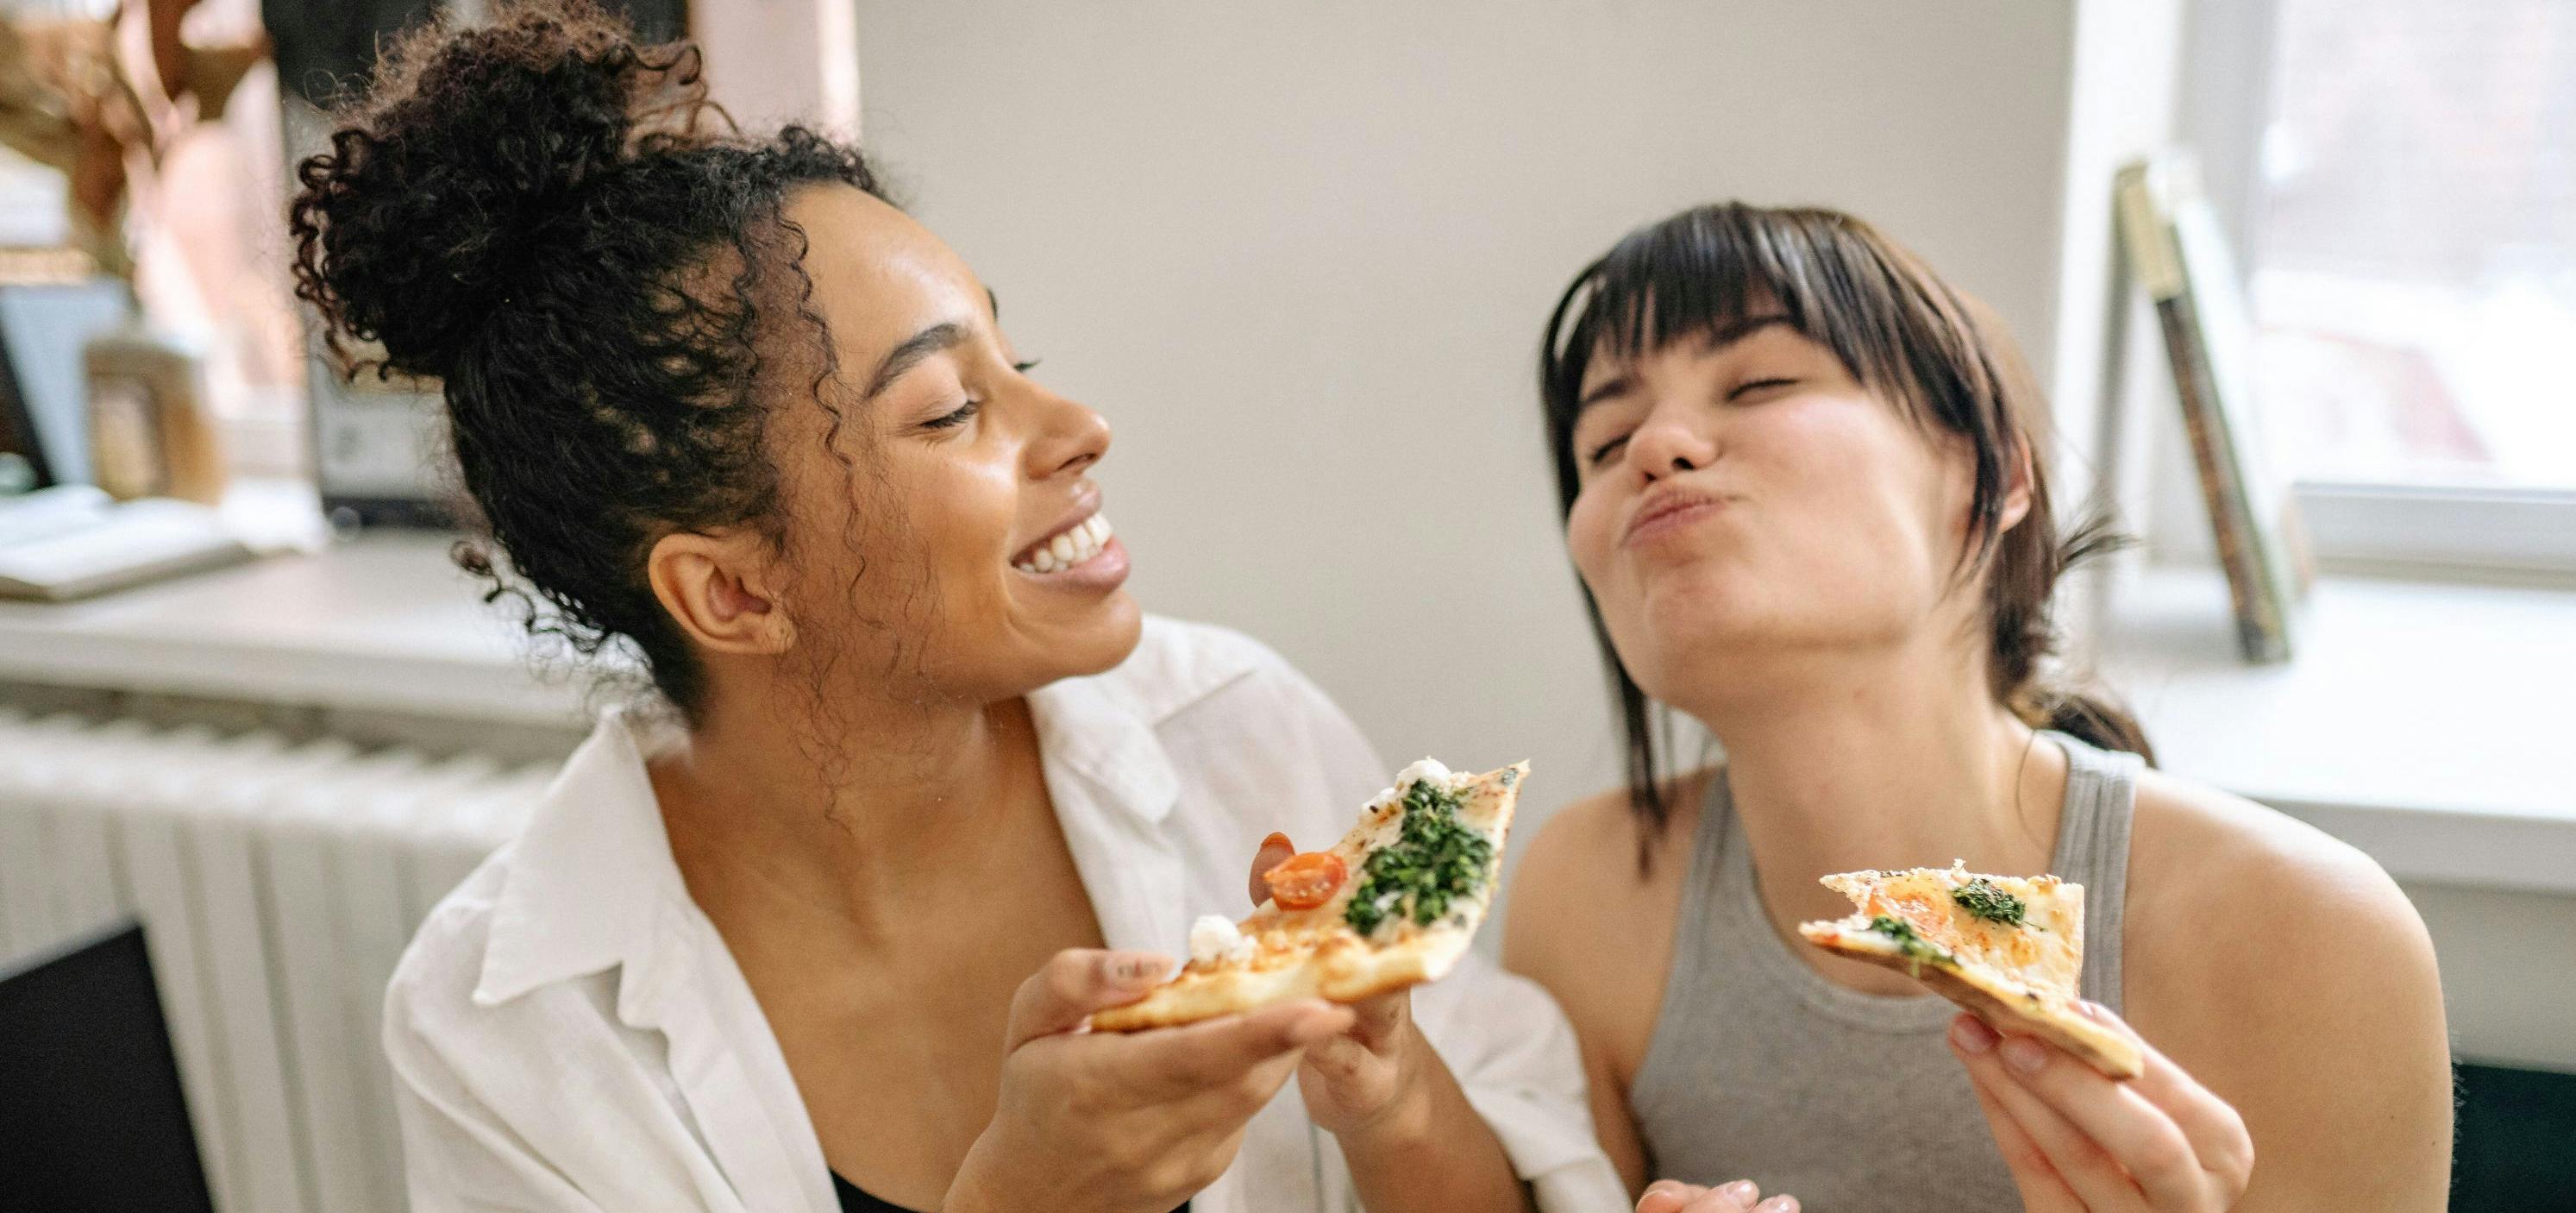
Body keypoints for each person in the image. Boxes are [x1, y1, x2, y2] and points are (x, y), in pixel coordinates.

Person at [291, 5, 1624, 1211]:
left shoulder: (1239, 734)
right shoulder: (506, 1029)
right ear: (736, 589)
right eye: (948, 410)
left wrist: (1384, 1091)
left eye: (1016, 356)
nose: (1082, 427)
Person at [1502, 202, 2453, 1212]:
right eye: (1603, 440)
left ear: (1991, 471)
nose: (1656, 446)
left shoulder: (2310, 937)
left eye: (1759, 382)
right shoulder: (1585, 894)